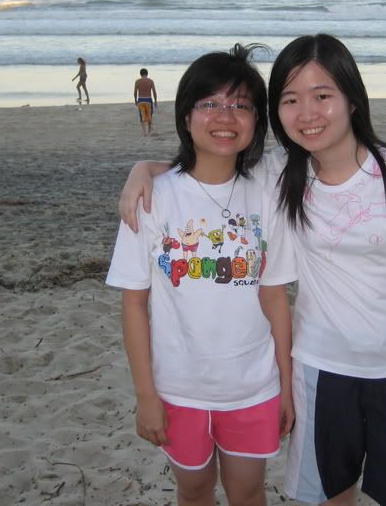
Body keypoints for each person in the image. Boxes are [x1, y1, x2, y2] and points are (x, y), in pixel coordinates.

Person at [119, 34, 386, 506]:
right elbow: (204, 164)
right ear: (276, 113)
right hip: (318, 366)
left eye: (323, 96)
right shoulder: (282, 172)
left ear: (352, 100)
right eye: (290, 100)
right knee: (330, 493)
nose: (308, 113)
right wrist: (145, 168)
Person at [106, 44, 294, 506]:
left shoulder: (268, 193)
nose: (225, 116)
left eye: (240, 105)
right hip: (177, 387)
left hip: (253, 384)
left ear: (257, 121)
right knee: (193, 488)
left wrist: (288, 386)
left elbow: (275, 298)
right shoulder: (154, 199)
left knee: (248, 490)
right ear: (186, 116)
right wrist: (146, 395)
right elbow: (134, 303)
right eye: (209, 103)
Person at [133, 68, 157, 136]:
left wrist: (135, 100)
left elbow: (135, 92)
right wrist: (155, 101)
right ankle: (149, 130)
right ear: (147, 73)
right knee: (149, 115)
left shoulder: (137, 81)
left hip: (140, 99)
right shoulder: (150, 81)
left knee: (142, 116)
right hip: (148, 99)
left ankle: (144, 132)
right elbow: (154, 92)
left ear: (140, 74)